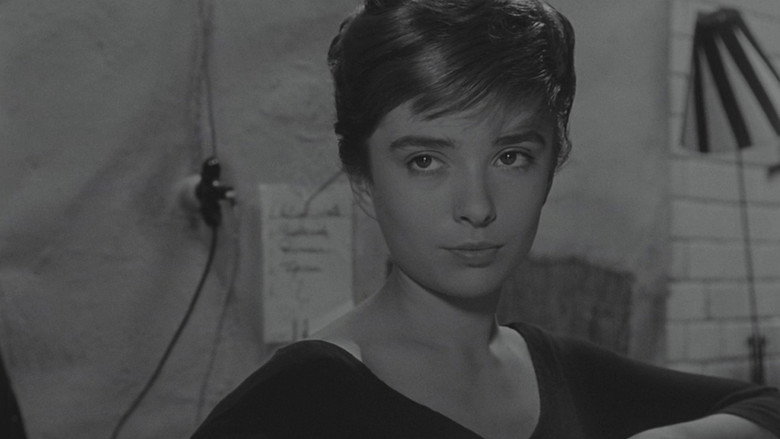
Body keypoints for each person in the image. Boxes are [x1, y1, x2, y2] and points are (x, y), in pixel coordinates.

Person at [192, 1, 780, 437]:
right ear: (364, 181)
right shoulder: (301, 399)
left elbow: (766, 406)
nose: (476, 207)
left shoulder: (563, 372)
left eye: (511, 157)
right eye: (426, 161)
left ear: (550, 168)